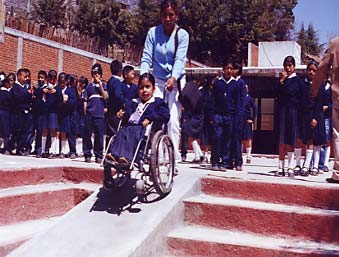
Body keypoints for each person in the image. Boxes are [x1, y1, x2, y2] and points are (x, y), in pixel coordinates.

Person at [140, 0, 189, 170]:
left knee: (173, 121)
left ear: (176, 16)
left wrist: (174, 78)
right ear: (160, 16)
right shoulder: (153, 33)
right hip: (157, 81)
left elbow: (180, 60)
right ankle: (148, 155)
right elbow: (146, 57)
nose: (167, 19)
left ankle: (173, 159)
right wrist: (144, 80)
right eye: (164, 15)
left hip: (175, 81)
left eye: (171, 15)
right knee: (151, 116)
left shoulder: (182, 35)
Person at [105, 73, 170, 189]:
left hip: (144, 130)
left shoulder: (158, 103)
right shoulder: (134, 102)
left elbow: (165, 116)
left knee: (133, 133)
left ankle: (127, 158)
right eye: (141, 87)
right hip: (129, 126)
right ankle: (113, 156)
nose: (144, 90)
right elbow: (127, 113)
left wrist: (150, 118)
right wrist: (122, 113)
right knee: (120, 132)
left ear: (153, 89)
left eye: (147, 87)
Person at [311, 37, 339, 183]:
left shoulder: (335, 43)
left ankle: (338, 174)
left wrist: (313, 91)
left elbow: (322, 68)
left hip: (338, 95)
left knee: (338, 135)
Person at [275, 56, 302, 177]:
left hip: (293, 111)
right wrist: (281, 81)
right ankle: (280, 166)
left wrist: (285, 81)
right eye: (286, 65)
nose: (288, 67)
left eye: (290, 65)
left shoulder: (298, 80)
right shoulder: (281, 80)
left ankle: (290, 166)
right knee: (282, 139)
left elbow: (291, 92)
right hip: (282, 111)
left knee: (291, 139)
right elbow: (276, 93)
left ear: (294, 67)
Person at [210, 60, 240, 171]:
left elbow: (237, 101)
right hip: (218, 115)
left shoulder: (235, 84)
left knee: (227, 139)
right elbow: (212, 99)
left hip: (230, 116)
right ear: (223, 69)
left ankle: (225, 162)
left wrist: (236, 116)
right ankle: (215, 161)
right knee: (217, 137)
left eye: (231, 69)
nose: (229, 71)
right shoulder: (218, 83)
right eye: (227, 68)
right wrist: (212, 115)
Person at [83, 63, 108, 163]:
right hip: (89, 114)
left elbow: (105, 97)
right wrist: (85, 110)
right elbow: (85, 99)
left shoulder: (104, 86)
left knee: (99, 135)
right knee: (87, 134)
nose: (96, 75)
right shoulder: (89, 87)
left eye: (98, 74)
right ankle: (87, 153)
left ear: (101, 75)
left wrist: (100, 85)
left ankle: (98, 155)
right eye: (94, 73)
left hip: (99, 115)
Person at [297, 61, 319, 176]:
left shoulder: (317, 85)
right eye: (309, 69)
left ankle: (306, 165)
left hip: (311, 115)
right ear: (306, 70)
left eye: (314, 70)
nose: (311, 72)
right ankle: (298, 164)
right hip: (301, 115)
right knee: (299, 139)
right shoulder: (301, 83)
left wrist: (315, 117)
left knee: (310, 140)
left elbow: (319, 103)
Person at [10, 68, 34, 156]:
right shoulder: (15, 87)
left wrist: (30, 95)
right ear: (19, 76)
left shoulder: (25, 87)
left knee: (23, 131)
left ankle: (20, 148)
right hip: (18, 113)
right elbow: (18, 98)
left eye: (28, 77)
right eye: (25, 76)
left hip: (25, 113)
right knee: (17, 131)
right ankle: (11, 147)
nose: (26, 78)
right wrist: (27, 93)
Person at [231, 62, 247, 171]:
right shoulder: (230, 82)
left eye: (235, 69)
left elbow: (243, 101)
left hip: (238, 115)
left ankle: (238, 161)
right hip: (229, 114)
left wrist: (240, 115)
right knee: (229, 139)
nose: (233, 71)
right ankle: (229, 160)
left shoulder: (241, 83)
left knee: (237, 139)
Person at [242, 84, 257, 164]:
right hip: (239, 121)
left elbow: (255, 109)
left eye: (246, 88)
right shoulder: (239, 97)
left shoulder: (250, 98)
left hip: (247, 121)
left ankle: (248, 155)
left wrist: (252, 119)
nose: (245, 89)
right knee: (239, 138)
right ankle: (239, 155)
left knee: (248, 138)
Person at [0, 73, 12, 154]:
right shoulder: (8, 94)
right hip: (6, 113)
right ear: (7, 84)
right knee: (6, 131)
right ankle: (6, 148)